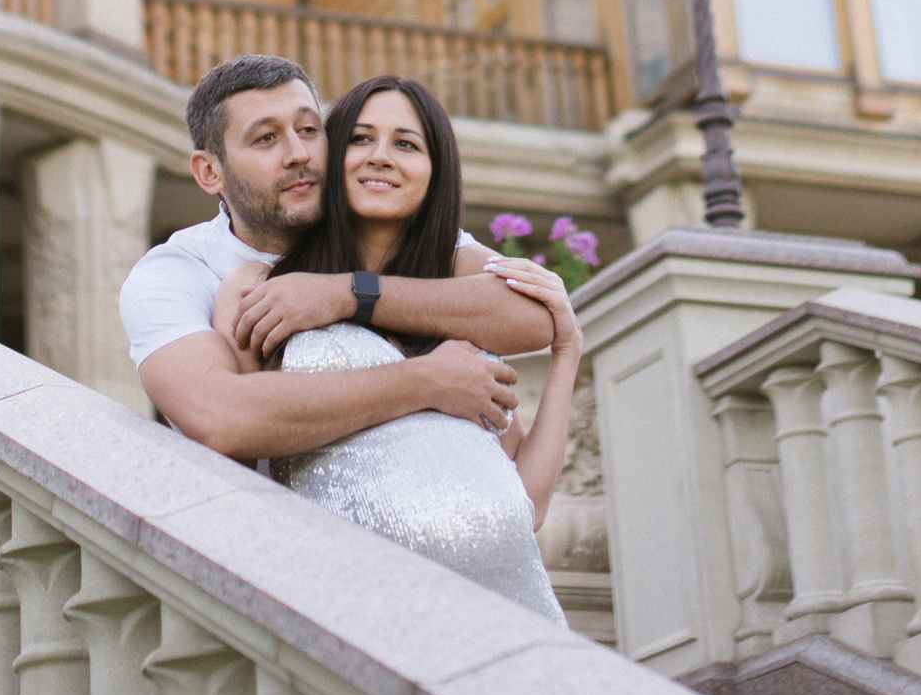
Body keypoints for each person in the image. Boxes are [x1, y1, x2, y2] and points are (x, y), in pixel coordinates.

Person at [210, 73, 579, 620]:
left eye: (406, 144)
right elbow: (236, 464)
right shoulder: (259, 289)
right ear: (329, 159)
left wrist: (568, 351)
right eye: (360, 139)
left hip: (508, 608)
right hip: (358, 607)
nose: (380, 156)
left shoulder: (461, 305)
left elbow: (529, 504)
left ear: (435, 173)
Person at [120, 53, 552, 463]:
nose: (299, 154)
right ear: (209, 172)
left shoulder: (374, 224)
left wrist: (350, 294)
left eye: (309, 130)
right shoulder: (175, 273)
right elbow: (218, 416)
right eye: (266, 138)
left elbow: (531, 314)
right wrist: (425, 381)